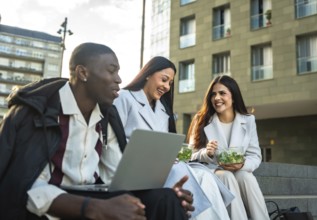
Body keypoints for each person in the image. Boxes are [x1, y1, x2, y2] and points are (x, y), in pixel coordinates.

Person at [0, 43, 194, 220]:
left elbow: (115, 176)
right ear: (83, 73)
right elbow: (24, 188)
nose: (119, 79)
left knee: (167, 199)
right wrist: (93, 207)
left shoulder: (107, 116)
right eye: (112, 71)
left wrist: (159, 193)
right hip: (48, 207)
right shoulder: (36, 113)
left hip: (91, 195)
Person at [113, 56, 231, 220]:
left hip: (162, 167)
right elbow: (114, 140)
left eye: (170, 83)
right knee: (187, 174)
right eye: (164, 80)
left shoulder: (163, 110)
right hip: (134, 167)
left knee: (206, 177)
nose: (167, 86)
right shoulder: (125, 98)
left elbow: (165, 145)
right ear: (147, 74)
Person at [186, 75, 270, 220]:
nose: (216, 98)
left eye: (222, 93)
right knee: (226, 176)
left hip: (238, 170)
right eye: (213, 94)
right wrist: (206, 153)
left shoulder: (248, 120)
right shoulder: (201, 119)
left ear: (234, 96)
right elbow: (189, 155)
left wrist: (242, 164)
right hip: (211, 170)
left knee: (246, 177)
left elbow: (254, 155)